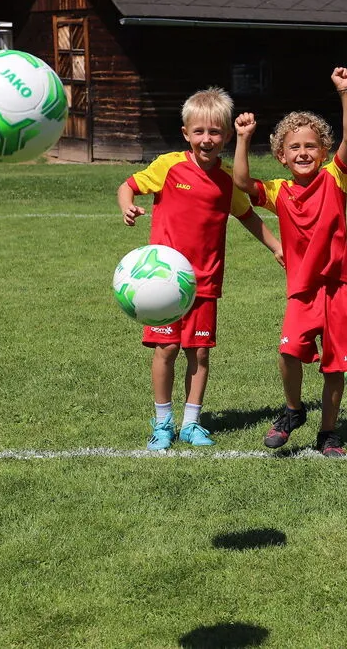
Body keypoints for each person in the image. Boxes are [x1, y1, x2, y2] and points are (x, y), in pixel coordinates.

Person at [118, 86, 283, 451]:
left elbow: (248, 216)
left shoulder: (226, 179)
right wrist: (127, 205)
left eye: (214, 132)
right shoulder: (168, 166)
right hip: (160, 284)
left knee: (200, 352)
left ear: (225, 135)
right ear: (186, 134)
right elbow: (127, 185)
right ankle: (162, 422)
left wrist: (275, 246)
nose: (206, 139)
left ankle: (192, 423)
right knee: (166, 350)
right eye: (199, 132)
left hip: (204, 282)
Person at [232, 67, 347, 456]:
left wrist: (345, 92)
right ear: (281, 157)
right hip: (301, 289)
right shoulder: (278, 190)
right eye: (294, 148)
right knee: (289, 352)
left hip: (337, 286)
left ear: (324, 152)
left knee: (335, 366)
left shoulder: (336, 178)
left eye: (311, 146)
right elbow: (240, 181)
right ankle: (292, 411)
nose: (303, 152)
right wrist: (242, 138)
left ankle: (329, 433)